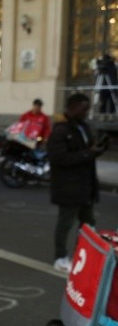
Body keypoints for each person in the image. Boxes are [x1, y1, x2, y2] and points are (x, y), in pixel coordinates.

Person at [47, 93, 108, 273]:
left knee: (88, 224)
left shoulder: (83, 127)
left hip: (85, 186)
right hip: (69, 187)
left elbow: (87, 150)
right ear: (71, 108)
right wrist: (88, 153)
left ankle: (83, 255)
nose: (86, 113)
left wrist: (97, 149)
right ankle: (60, 257)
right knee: (66, 223)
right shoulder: (61, 131)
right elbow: (59, 158)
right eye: (83, 109)